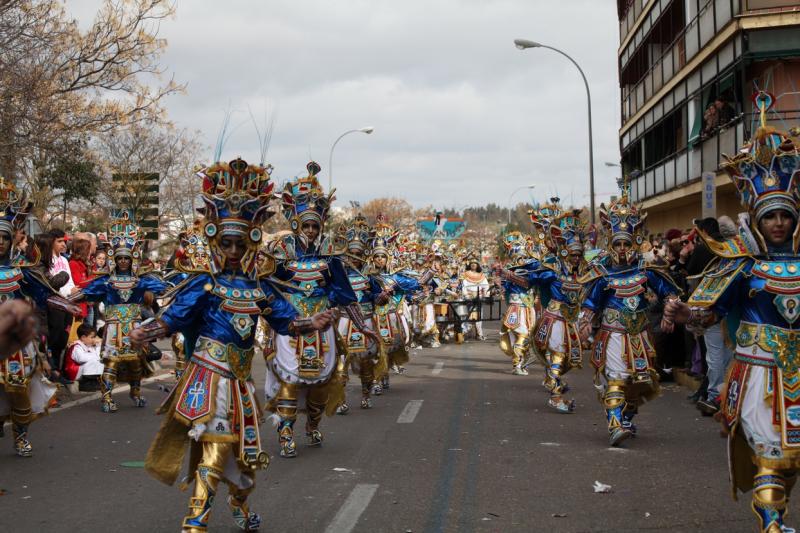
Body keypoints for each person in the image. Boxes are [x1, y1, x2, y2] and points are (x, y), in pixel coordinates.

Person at [130, 157, 336, 532]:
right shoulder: (204, 282)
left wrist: (312, 322)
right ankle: (196, 521)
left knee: (246, 459)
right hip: (208, 376)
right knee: (215, 444)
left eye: (240, 242)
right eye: (226, 242)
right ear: (215, 239)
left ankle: (239, 506)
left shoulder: (260, 286)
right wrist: (148, 330)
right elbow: (174, 317)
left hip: (240, 383)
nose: (234, 250)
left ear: (252, 240)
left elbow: (285, 320)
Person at [663, 92, 800, 532]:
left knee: (791, 460)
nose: (778, 223)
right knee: (769, 453)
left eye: (784, 215)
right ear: (757, 220)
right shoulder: (741, 262)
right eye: (770, 215)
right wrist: (684, 313)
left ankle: (776, 515)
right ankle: (773, 524)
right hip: (760, 373)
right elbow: (708, 315)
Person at [265, 162, 367, 459]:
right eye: (305, 224)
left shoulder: (331, 254)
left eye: (315, 225)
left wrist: (362, 325)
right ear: (296, 223)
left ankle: (312, 424)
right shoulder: (281, 252)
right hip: (291, 324)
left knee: (321, 382)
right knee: (289, 378)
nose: (310, 230)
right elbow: (267, 288)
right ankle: (285, 432)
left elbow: (345, 294)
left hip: (322, 327)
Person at [578, 173, 681, 447]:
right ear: (611, 244)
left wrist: (671, 307)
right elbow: (591, 302)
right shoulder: (602, 274)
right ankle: (614, 425)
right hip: (612, 334)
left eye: (626, 243)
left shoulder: (646, 270)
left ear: (634, 242)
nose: (622, 249)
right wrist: (585, 321)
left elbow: (668, 291)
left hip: (640, 335)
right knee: (617, 378)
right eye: (618, 243)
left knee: (639, 383)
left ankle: (625, 416)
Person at [0, 179, 81, 456]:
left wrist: (66, 303)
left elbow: (43, 293)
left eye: (4, 237)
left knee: (18, 389)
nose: (0, 242)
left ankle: (20, 436)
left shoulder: (21, 270)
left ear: (12, 239)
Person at [71, 212, 168, 413]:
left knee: (135, 363)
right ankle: (106, 398)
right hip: (113, 328)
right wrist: (63, 299)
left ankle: (135, 392)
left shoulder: (141, 280)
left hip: (133, 327)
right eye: (119, 258)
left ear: (132, 259)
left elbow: (165, 288)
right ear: (114, 259)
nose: (123, 261)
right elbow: (84, 293)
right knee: (111, 363)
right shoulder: (105, 281)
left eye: (126, 258)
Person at [64, 323, 103, 391]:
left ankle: (93, 382)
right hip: (74, 373)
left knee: (100, 361)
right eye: (92, 337)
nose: (94, 339)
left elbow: (98, 356)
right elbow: (81, 359)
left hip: (82, 371)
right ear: (83, 337)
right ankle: (85, 384)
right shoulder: (76, 346)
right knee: (93, 361)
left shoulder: (89, 346)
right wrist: (96, 356)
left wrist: (98, 346)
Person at [460, 257, 490, 340]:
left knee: (479, 317)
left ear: (477, 265)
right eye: (472, 263)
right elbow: (464, 286)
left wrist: (486, 296)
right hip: (469, 299)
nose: (473, 265)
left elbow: (486, 286)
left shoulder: (481, 275)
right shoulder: (466, 274)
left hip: (479, 298)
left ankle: (479, 334)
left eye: (475, 263)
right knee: (467, 316)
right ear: (470, 265)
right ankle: (465, 333)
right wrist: (466, 295)